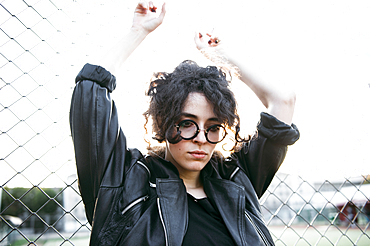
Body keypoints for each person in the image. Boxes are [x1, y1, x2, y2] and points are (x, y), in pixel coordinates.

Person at [69, 1, 300, 245]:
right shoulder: (126, 182)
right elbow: (91, 91)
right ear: (164, 124)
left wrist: (222, 57)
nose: (201, 138)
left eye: (212, 127)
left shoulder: (237, 180)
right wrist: (139, 31)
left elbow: (283, 100)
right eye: (187, 124)